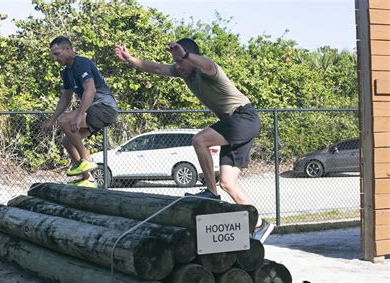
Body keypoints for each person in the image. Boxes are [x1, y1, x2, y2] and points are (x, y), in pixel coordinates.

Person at [114, 38, 274, 242]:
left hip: (242, 118)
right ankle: (260, 224)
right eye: (176, 62)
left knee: (199, 140)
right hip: (234, 124)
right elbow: (155, 68)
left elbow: (208, 64)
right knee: (228, 183)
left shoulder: (207, 71)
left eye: (181, 61)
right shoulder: (183, 71)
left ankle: (211, 193)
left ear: (191, 57)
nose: (178, 66)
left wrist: (187, 56)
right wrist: (130, 59)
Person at [42, 36, 118, 188]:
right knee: (67, 142)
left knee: (65, 121)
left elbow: (90, 89)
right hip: (95, 110)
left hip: (105, 108)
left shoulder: (81, 63)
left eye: (57, 53)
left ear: (68, 50)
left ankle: (87, 161)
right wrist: (51, 120)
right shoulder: (66, 73)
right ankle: (89, 179)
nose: (55, 58)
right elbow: (65, 98)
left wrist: (77, 116)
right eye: (53, 54)